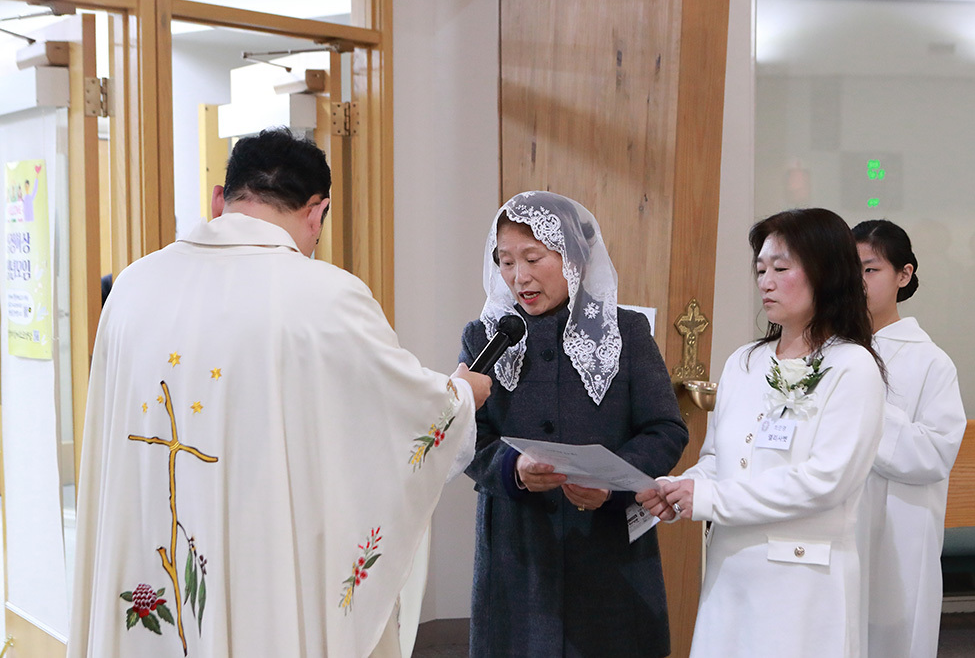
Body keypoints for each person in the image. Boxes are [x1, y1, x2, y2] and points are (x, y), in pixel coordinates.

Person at [67, 127, 491, 658]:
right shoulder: (327, 296)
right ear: (317, 211)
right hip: (261, 554)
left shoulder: (133, 286)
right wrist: (460, 394)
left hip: (151, 534)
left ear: (220, 198)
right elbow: (400, 409)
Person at [638, 208, 885, 658]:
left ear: (826, 272)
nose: (765, 282)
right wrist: (681, 488)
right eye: (760, 270)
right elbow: (718, 458)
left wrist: (710, 499)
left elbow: (826, 481)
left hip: (803, 578)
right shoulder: (745, 361)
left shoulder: (852, 366)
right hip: (732, 570)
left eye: (781, 269)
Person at [461, 191, 689, 657]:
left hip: (608, 552)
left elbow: (665, 429)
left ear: (575, 259)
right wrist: (513, 469)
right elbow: (466, 434)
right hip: (518, 551)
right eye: (506, 261)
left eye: (533, 258)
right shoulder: (483, 336)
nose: (519, 276)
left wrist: (611, 483)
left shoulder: (626, 332)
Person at [853, 219, 966, 658]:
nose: (858, 282)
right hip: (834, 523)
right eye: (851, 270)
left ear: (904, 274)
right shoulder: (827, 351)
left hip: (898, 528)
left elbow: (934, 453)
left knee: (892, 637)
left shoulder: (930, 361)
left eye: (870, 269)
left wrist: (862, 408)